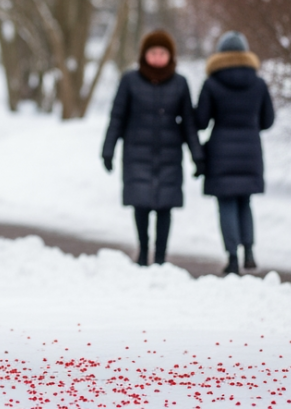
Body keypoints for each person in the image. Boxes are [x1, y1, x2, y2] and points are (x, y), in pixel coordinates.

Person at [101, 30, 204, 267]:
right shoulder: (130, 81)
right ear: (144, 55)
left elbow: (189, 123)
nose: (157, 57)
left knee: (165, 207)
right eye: (153, 53)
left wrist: (197, 156)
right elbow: (117, 117)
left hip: (169, 154)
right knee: (141, 205)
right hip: (137, 153)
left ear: (170, 56)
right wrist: (108, 149)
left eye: (162, 53)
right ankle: (143, 249)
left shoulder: (180, 83)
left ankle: (160, 255)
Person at [196, 31, 275, 276]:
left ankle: (232, 258)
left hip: (220, 151)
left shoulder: (212, 83)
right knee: (245, 202)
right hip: (250, 149)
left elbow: (201, 120)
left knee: (226, 203)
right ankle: (249, 253)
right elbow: (268, 120)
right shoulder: (258, 83)